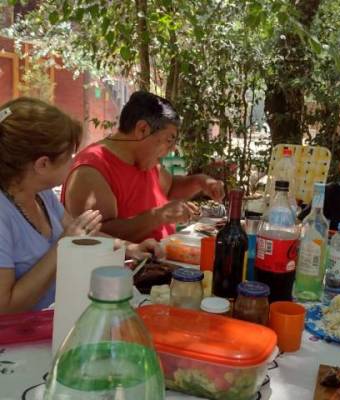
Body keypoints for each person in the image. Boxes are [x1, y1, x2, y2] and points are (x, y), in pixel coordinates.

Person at [0, 98, 158, 313]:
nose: (74, 161)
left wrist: (130, 247)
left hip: (57, 320)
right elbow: (5, 308)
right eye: (69, 156)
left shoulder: (41, 193)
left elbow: (81, 235)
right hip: (19, 342)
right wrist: (62, 246)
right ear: (43, 164)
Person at [62, 91, 225, 243]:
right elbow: (96, 237)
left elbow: (171, 187)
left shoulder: (145, 160)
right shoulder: (92, 170)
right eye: (169, 139)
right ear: (142, 130)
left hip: (164, 261)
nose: (173, 148)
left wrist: (201, 182)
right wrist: (159, 216)